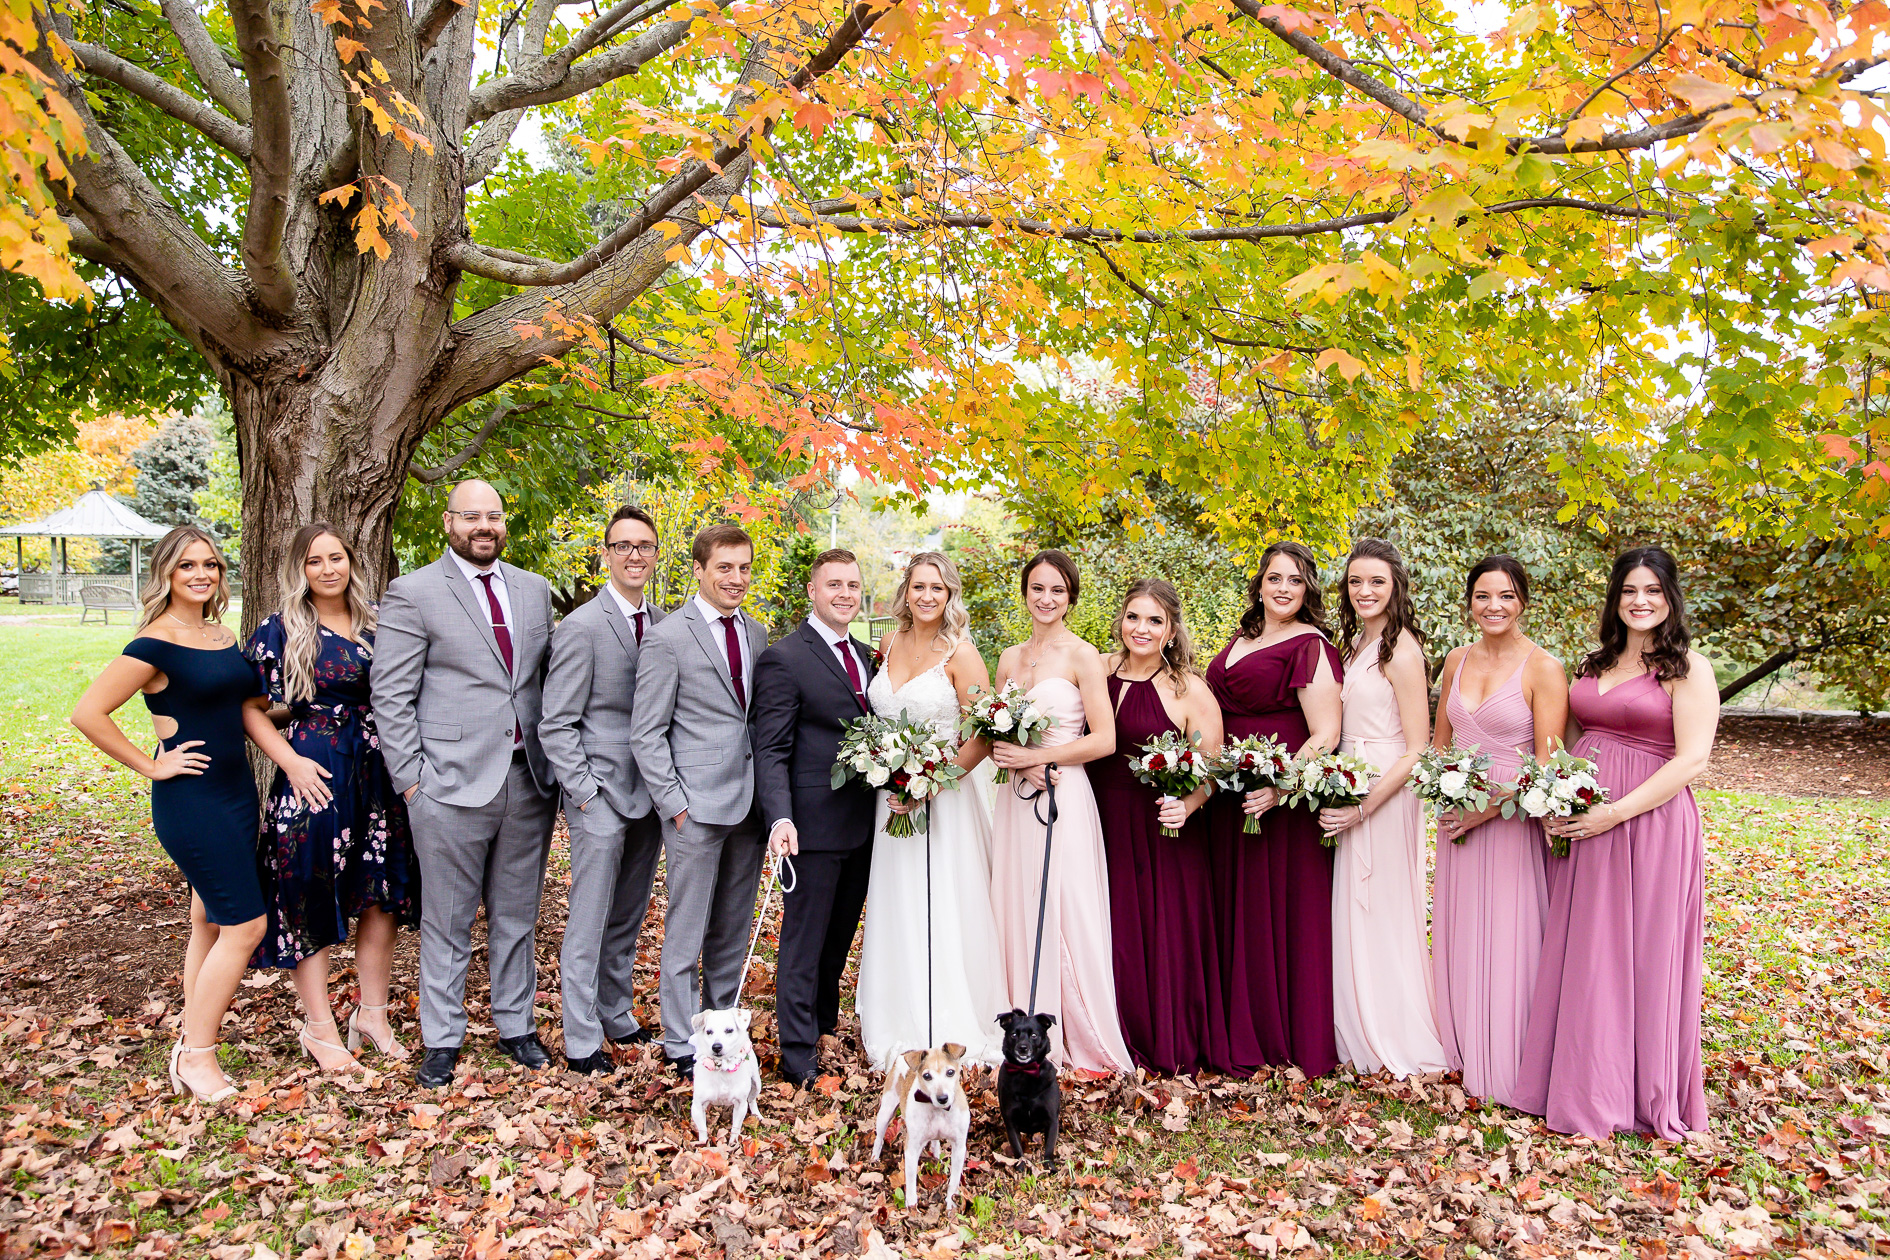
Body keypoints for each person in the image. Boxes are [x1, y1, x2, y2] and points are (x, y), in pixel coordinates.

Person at [70, 526, 331, 1102]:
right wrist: (151, 765)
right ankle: (197, 1056)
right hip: (193, 802)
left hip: (238, 795)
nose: (201, 574)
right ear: (166, 573)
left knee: (208, 921)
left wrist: (303, 704)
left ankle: (190, 1035)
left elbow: (240, 706)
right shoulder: (153, 645)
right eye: (187, 566)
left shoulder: (218, 634)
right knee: (247, 924)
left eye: (210, 564)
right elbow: (87, 713)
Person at [1516, 546, 1718, 1138]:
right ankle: (1580, 1081)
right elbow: (1567, 739)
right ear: (1616, 599)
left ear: (1670, 598)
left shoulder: (1688, 669)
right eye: (1629, 590)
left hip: (1649, 822)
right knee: (1588, 950)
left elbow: (1693, 759)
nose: (1640, 601)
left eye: (1652, 590)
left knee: (1640, 954)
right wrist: (1552, 800)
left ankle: (1633, 1091)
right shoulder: (1593, 665)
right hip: (1584, 820)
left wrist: (1616, 813)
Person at [371, 480, 559, 1089]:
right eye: (472, 516)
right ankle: (442, 1037)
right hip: (446, 786)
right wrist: (412, 782)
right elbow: (392, 694)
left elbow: (537, 684)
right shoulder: (414, 593)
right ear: (449, 522)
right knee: (447, 920)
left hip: (527, 782)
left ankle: (515, 1026)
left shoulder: (533, 592)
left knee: (517, 915)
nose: (484, 526)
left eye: (494, 516)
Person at [246, 523, 419, 1071]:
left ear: (350, 560)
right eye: (315, 560)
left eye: (336, 557)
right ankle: (319, 1028)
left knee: (379, 895)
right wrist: (291, 763)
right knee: (308, 895)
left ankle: (373, 1014)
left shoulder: (379, 621)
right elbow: (251, 709)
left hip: (378, 772)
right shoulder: (281, 629)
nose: (328, 568)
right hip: (314, 774)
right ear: (299, 569)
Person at [854, 553, 1009, 1071]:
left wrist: (931, 784)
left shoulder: (962, 654)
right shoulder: (888, 643)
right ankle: (895, 1013)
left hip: (944, 800)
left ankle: (948, 1019)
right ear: (906, 590)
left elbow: (985, 732)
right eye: (918, 586)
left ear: (949, 595)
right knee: (898, 901)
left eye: (937, 589)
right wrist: (890, 771)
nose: (926, 596)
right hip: (891, 798)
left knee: (941, 902)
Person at [629, 523, 770, 1078]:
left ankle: (724, 1037)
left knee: (733, 930)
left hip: (748, 806)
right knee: (686, 931)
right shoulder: (668, 638)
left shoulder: (757, 633)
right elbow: (646, 732)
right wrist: (675, 803)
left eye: (743, 568)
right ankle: (681, 1041)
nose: (736, 579)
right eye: (724, 568)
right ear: (699, 570)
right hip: (694, 807)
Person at [1430, 555, 1568, 1107]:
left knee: (1511, 935)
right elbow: (1440, 744)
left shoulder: (1543, 668)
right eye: (1484, 596)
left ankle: (1510, 1060)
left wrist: (1485, 808)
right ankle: (1461, 1045)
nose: (1494, 606)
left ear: (1523, 602)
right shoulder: (1454, 661)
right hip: (1456, 815)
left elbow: (1549, 766)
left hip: (1511, 819)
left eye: (1506, 596)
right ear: (1469, 601)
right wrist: (1444, 790)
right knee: (1462, 929)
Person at [988, 550, 1133, 1074]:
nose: (1046, 599)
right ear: (1024, 592)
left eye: (1057, 590)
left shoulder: (1083, 656)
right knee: (1016, 903)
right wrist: (1007, 757)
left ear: (1071, 597)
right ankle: (1014, 1024)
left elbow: (1105, 739)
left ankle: (1078, 1028)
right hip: (1013, 800)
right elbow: (993, 729)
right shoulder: (1007, 658)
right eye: (1037, 588)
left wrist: (1037, 757)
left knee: (1064, 908)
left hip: (1061, 795)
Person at [1205, 540, 1344, 1078]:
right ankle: (1233, 1026)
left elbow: (1326, 732)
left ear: (1307, 589)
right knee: (1235, 908)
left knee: (1274, 916)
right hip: (1230, 795)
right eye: (1274, 578)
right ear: (1259, 583)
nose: (1283, 589)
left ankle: (1276, 1035)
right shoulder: (1244, 637)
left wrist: (1280, 788)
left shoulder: (1310, 645)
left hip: (1278, 802)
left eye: (1294, 580)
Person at [539, 505, 667, 1074]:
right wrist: (585, 794)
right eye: (623, 546)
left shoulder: (667, 624)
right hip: (600, 795)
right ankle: (580, 1036)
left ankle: (616, 1010)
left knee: (630, 912)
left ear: (656, 555)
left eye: (645, 545)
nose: (634, 555)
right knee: (590, 916)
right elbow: (555, 724)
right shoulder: (582, 627)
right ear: (606, 554)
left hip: (653, 792)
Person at [1318, 539, 1447, 1079]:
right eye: (1355, 582)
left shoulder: (1403, 650)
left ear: (1396, 586)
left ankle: (1391, 1028)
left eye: (1376, 582)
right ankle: (1352, 1024)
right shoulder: (1351, 645)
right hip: (1349, 777)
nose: (1365, 591)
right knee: (1352, 906)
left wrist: (1363, 807)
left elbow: (1419, 748)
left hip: (1386, 792)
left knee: (1383, 907)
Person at [752, 549, 879, 1087]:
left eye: (853, 585)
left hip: (865, 820)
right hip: (811, 826)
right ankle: (797, 1050)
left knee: (839, 935)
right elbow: (771, 749)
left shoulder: (869, 656)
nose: (845, 594)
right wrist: (780, 818)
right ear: (812, 590)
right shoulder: (786, 658)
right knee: (803, 940)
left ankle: (823, 1023)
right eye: (834, 584)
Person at [1093, 579, 1226, 1076]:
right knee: (1104, 930)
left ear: (1171, 630)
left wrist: (1188, 804)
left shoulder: (1187, 688)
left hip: (1158, 829)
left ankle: (1158, 1037)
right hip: (1094, 819)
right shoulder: (1098, 670)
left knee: (1155, 933)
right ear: (1120, 620)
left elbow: (1213, 768)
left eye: (1154, 621)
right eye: (1133, 617)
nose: (1141, 629)